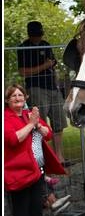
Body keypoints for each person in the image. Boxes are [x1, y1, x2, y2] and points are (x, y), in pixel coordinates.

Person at [4, 84, 66, 216]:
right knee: (21, 208)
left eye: (20, 95)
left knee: (35, 206)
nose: (18, 98)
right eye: (14, 96)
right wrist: (31, 124)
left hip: (36, 169)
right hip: (19, 169)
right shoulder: (6, 118)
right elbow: (13, 139)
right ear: (7, 100)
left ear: (26, 98)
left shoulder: (29, 114)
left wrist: (36, 124)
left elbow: (48, 133)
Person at [17, 21, 69, 166]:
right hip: (36, 88)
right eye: (35, 35)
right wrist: (44, 66)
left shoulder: (46, 44)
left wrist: (55, 81)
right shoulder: (23, 48)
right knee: (40, 124)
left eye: (39, 35)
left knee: (59, 123)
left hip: (53, 88)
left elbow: (53, 63)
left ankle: (60, 158)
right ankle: (45, 158)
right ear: (30, 34)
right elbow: (23, 72)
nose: (38, 38)